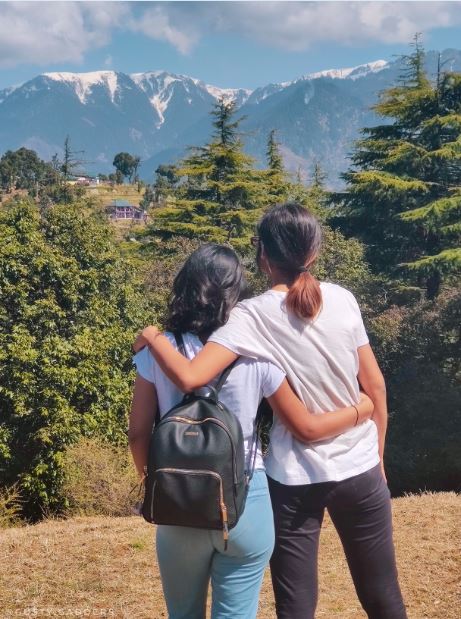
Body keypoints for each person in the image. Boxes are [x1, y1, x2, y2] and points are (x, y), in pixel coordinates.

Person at [134, 203, 408, 619]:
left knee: (295, 606)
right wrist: (375, 448)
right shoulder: (342, 299)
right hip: (353, 468)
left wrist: (153, 337)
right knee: (383, 596)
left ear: (263, 255)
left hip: (293, 479)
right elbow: (375, 387)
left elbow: (189, 380)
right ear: (313, 253)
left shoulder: (250, 317)